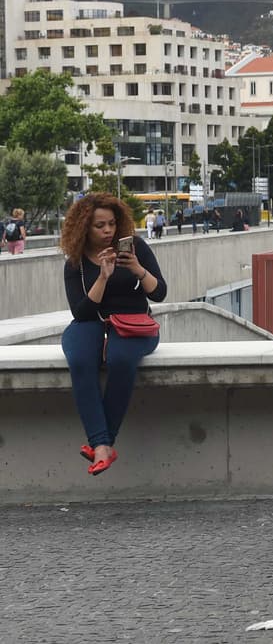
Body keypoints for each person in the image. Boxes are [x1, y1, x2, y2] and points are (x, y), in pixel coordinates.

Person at [59, 192, 166, 476]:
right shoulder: (75, 262)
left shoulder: (137, 247)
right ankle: (103, 445)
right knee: (81, 360)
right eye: (99, 226)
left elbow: (159, 293)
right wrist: (103, 276)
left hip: (133, 322)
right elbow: (80, 312)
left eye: (111, 224)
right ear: (84, 227)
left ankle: (101, 444)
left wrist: (138, 270)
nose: (107, 231)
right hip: (90, 322)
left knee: (120, 359)